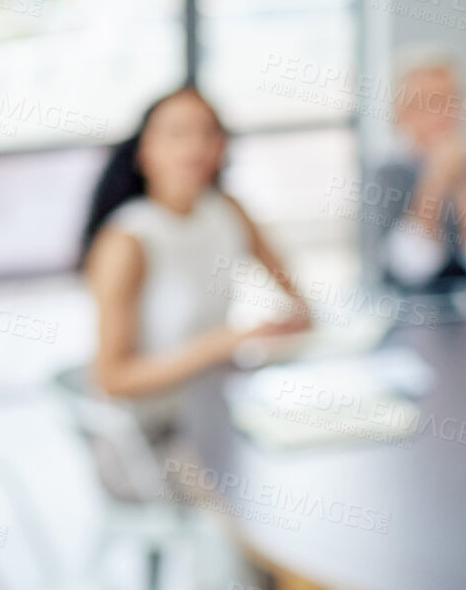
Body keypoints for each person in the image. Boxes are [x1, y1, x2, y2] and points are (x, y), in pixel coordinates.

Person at [83, 86, 309, 439]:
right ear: (145, 151)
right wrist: (220, 345)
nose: (196, 147)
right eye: (177, 133)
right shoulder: (126, 241)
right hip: (152, 437)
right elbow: (111, 380)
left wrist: (288, 322)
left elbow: (296, 296)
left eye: (209, 132)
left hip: (217, 413)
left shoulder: (228, 210)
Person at [366, 46, 466, 294]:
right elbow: (407, 271)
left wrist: (465, 182)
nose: (438, 117)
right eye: (423, 105)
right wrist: (434, 182)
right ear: (399, 115)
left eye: (448, 101)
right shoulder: (386, 174)